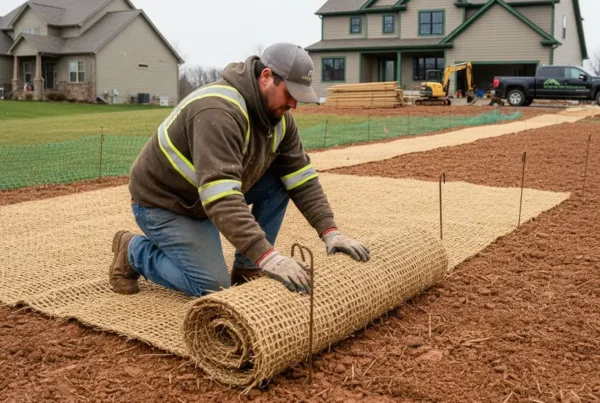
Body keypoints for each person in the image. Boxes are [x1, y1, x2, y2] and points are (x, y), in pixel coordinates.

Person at [109, 43, 370, 297]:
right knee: (211, 286)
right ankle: (133, 251)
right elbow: (221, 197)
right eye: (290, 93)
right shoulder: (218, 111)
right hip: (166, 204)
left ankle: (248, 268)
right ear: (267, 77)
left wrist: (330, 232)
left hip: (204, 197)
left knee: (283, 180)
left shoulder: (279, 120)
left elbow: (301, 178)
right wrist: (269, 257)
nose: (294, 105)